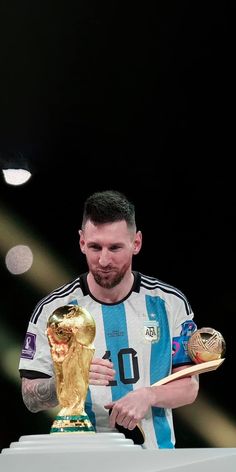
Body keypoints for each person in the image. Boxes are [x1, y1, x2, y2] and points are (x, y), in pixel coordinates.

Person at [19, 189, 199, 449]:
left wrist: (149, 396)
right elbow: (30, 397)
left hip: (155, 460)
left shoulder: (169, 303)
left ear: (136, 243)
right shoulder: (53, 309)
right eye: (95, 247)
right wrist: (70, 377)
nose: (103, 260)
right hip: (80, 458)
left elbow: (189, 387)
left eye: (115, 247)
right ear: (81, 242)